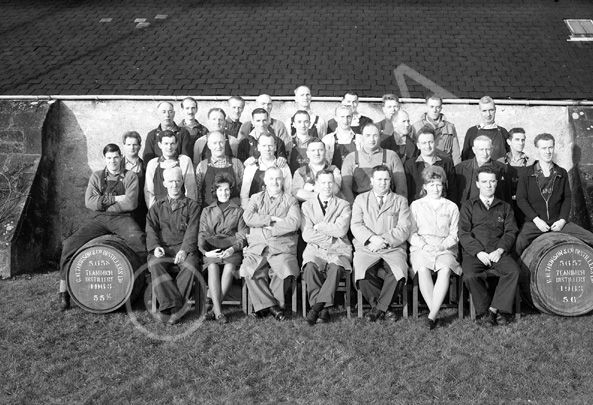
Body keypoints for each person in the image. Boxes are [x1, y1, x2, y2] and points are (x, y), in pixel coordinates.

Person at [58, 144, 146, 311]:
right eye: (109, 158)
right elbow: (89, 203)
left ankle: (148, 284)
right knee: (69, 245)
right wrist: (116, 199)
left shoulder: (130, 176)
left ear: (121, 157)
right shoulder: (97, 176)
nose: (113, 161)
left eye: (115, 157)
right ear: (105, 159)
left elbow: (131, 203)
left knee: (139, 240)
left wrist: (103, 202)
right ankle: (63, 291)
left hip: (122, 218)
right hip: (100, 219)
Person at [459, 166, 520, 327]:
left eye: (492, 181)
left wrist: (500, 250)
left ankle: (494, 310)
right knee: (470, 275)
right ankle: (485, 309)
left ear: (496, 183)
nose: (489, 185)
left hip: (498, 253)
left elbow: (511, 231)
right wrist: (478, 252)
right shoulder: (468, 206)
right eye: (484, 181)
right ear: (478, 184)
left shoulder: (505, 207)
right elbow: (464, 233)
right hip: (475, 254)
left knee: (513, 271)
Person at [515, 133, 593, 256]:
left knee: (590, 237)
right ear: (537, 150)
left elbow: (567, 199)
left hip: (558, 223)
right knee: (518, 244)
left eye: (550, 147)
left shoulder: (561, 172)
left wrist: (562, 220)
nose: (548, 151)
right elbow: (521, 199)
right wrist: (537, 220)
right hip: (534, 224)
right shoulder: (526, 173)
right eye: (544, 148)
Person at [351, 165, 412, 322]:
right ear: (372, 181)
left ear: (390, 180)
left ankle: (377, 309)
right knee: (361, 274)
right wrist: (372, 238)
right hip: (367, 247)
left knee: (398, 272)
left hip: (393, 248)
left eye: (386, 179)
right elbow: (356, 225)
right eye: (379, 179)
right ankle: (386, 308)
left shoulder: (400, 201)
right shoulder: (361, 199)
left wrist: (383, 240)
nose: (383, 183)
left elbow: (404, 228)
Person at [240, 167, 301, 320]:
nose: (275, 182)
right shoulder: (255, 198)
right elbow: (248, 217)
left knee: (284, 267)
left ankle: (265, 306)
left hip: (281, 246)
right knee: (248, 268)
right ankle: (273, 307)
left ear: (283, 180)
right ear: (265, 181)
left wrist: (269, 228)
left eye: (278, 178)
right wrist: (271, 219)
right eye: (271, 179)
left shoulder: (290, 200)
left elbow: (293, 223)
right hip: (258, 246)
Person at [408, 166, 461, 329]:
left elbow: (455, 234)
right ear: (424, 186)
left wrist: (442, 246)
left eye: (438, 184)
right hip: (422, 248)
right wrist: (424, 246)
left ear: (443, 186)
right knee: (423, 269)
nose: (435, 188)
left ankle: (431, 316)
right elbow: (411, 233)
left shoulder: (451, 207)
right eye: (431, 184)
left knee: (444, 269)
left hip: (445, 248)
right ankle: (435, 313)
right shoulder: (416, 206)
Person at [146, 167, 200, 324]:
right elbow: (150, 229)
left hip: (184, 248)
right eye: (170, 181)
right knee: (155, 264)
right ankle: (176, 306)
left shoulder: (192, 206)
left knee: (191, 264)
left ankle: (170, 309)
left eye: (177, 180)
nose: (174, 185)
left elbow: (192, 231)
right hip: (163, 248)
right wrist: (156, 247)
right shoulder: (156, 206)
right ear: (164, 183)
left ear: (182, 181)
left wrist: (184, 250)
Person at [301, 169, 352, 325]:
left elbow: (341, 230)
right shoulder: (306, 206)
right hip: (315, 249)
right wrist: (330, 234)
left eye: (330, 182)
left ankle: (315, 308)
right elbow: (307, 235)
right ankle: (323, 311)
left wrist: (320, 226)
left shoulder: (344, 205)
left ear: (334, 184)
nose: (327, 186)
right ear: (316, 184)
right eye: (323, 182)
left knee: (336, 268)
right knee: (310, 267)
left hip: (338, 249)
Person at [198, 173, 248, 324]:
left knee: (230, 266)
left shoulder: (238, 211)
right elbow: (202, 234)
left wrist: (233, 249)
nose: (224, 193)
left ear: (231, 191)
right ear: (215, 191)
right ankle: (219, 311)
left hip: (231, 249)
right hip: (212, 248)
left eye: (226, 190)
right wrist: (206, 252)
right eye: (220, 190)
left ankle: (214, 310)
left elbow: (242, 236)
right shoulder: (207, 211)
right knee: (212, 266)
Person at [341, 123, 407, 204]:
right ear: (362, 137)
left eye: (375, 135)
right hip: (360, 205)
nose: (372, 139)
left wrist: (398, 206)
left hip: (386, 204)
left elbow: (401, 185)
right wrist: (353, 208)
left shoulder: (391, 156)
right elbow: (346, 187)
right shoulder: (351, 158)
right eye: (368, 135)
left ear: (380, 136)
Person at [404, 126, 457, 205]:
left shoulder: (447, 162)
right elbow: (408, 191)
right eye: (424, 143)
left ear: (435, 143)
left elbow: (453, 189)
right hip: (419, 208)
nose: (428, 146)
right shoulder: (410, 165)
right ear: (418, 145)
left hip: (442, 206)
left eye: (430, 142)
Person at [145, 130, 197, 209]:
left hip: (181, 208)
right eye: (166, 144)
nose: (169, 147)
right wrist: (153, 211)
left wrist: (189, 210)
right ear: (160, 145)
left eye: (172, 144)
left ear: (176, 145)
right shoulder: (153, 164)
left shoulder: (184, 161)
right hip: (159, 209)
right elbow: (149, 191)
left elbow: (190, 189)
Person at [454, 135, 510, 205]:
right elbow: (454, 194)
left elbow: (507, 196)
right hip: (467, 212)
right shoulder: (460, 169)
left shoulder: (502, 168)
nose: (485, 153)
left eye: (488, 149)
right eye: (481, 149)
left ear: (492, 149)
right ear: (474, 150)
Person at [240, 133, 292, 207]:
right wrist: (247, 212)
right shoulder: (251, 167)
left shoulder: (283, 167)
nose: (267, 149)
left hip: (278, 209)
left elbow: (288, 192)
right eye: (264, 146)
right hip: (256, 210)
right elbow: (244, 195)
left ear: (275, 147)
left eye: (270, 146)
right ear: (258, 147)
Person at [195, 131, 244, 209]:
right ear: (209, 145)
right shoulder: (202, 166)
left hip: (233, 213)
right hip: (209, 212)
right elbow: (198, 193)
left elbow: (243, 191)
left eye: (221, 142)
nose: (218, 146)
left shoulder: (236, 163)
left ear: (225, 142)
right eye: (214, 143)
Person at [412, 95, 461, 165]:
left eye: (437, 107)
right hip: (423, 164)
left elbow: (456, 153)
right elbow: (412, 151)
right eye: (431, 107)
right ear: (426, 107)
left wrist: (457, 169)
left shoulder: (450, 127)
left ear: (441, 108)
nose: (434, 110)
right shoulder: (416, 126)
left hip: (444, 165)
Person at [497, 128, 532, 225]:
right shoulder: (499, 162)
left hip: (524, 207)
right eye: (517, 139)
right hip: (505, 206)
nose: (521, 143)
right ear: (509, 142)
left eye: (523, 140)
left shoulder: (531, 163)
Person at [461, 96, 510, 161]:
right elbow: (465, 157)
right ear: (480, 111)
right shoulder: (472, 132)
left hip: (499, 170)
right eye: (484, 111)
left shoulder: (503, 132)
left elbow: (509, 156)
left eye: (491, 110)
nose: (488, 114)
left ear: (495, 110)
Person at [121, 131, 147, 229]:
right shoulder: (117, 165)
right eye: (129, 144)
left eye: (135, 145)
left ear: (140, 146)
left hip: (140, 210)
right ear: (124, 146)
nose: (132, 148)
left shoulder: (145, 166)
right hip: (122, 211)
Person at [321, 105, 358, 170]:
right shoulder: (327, 140)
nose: (345, 120)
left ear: (352, 117)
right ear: (336, 118)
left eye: (348, 117)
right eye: (342, 117)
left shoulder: (360, 140)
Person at [288, 110, 320, 174]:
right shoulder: (288, 142)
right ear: (293, 124)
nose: (303, 125)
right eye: (299, 122)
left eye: (306, 122)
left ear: (310, 124)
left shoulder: (316, 143)